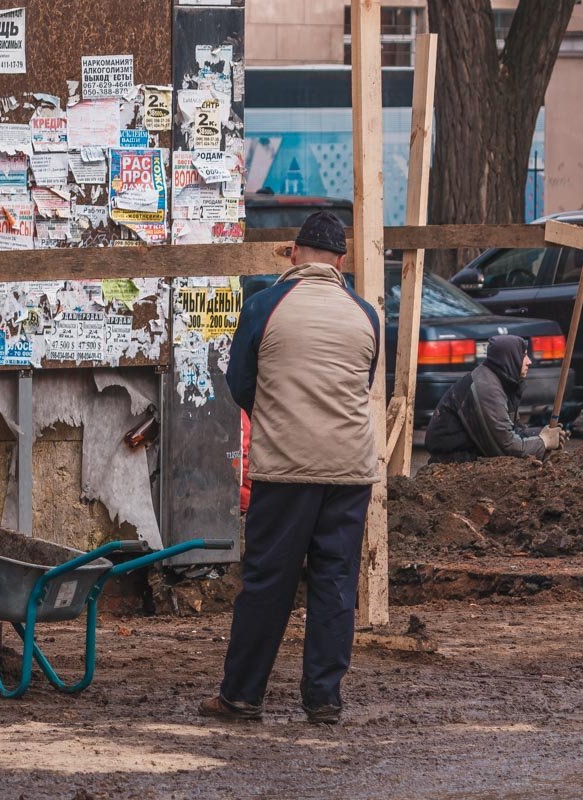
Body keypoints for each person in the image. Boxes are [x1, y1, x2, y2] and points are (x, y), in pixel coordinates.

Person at [200, 210, 380, 726]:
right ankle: (324, 700)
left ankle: (241, 696)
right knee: (335, 584)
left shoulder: (264, 306)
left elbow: (240, 381)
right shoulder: (365, 313)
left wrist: (278, 414)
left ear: (295, 253)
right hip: (350, 471)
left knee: (267, 583)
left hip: (286, 469)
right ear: (342, 262)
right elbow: (361, 383)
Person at [424, 335, 564, 463]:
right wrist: (543, 442)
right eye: (524, 355)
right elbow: (505, 447)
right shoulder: (487, 388)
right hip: (453, 461)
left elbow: (513, 430)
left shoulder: (502, 381)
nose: (529, 361)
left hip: (472, 453)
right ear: (510, 357)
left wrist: (541, 433)